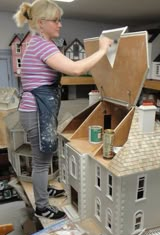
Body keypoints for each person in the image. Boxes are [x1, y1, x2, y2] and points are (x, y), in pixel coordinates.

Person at [13, 0, 113, 220]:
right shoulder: (42, 45)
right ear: (41, 23)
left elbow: (68, 65)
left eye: (60, 20)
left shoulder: (39, 43)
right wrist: (104, 49)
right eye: (55, 20)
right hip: (36, 111)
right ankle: (41, 205)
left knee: (45, 154)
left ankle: (43, 189)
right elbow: (76, 69)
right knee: (42, 159)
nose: (60, 25)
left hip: (37, 109)